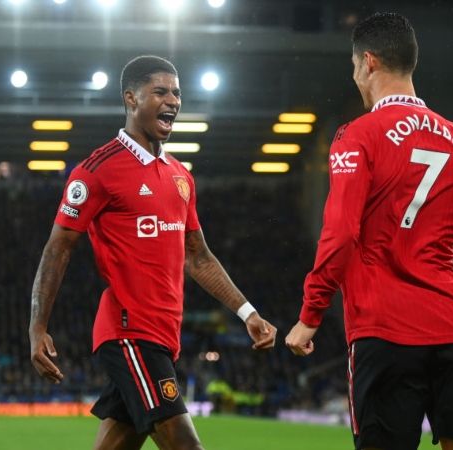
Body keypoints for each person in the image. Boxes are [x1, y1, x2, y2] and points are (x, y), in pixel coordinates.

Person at [284, 12, 453, 450]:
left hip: (385, 331)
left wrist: (310, 315)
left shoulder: (357, 137)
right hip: (452, 330)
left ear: (369, 62)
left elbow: (340, 233)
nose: (355, 76)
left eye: (354, 66)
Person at [29, 55, 277, 450]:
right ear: (131, 99)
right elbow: (58, 247)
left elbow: (198, 256)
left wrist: (247, 313)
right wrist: (38, 326)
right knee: (186, 445)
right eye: (160, 91)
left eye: (177, 92)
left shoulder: (181, 176)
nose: (173, 100)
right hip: (129, 332)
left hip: (164, 337)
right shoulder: (97, 170)